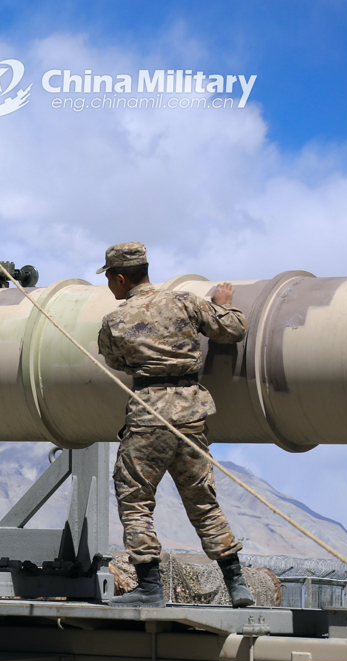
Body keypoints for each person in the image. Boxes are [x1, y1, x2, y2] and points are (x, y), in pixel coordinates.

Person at [96, 242, 254, 608]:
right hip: (190, 414)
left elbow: (115, 359)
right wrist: (223, 302)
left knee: (134, 499)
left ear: (120, 278)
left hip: (149, 415)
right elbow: (234, 329)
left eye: (108, 278)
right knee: (203, 500)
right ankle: (237, 585)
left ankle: (149, 587)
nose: (108, 286)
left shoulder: (115, 320)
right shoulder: (184, 301)